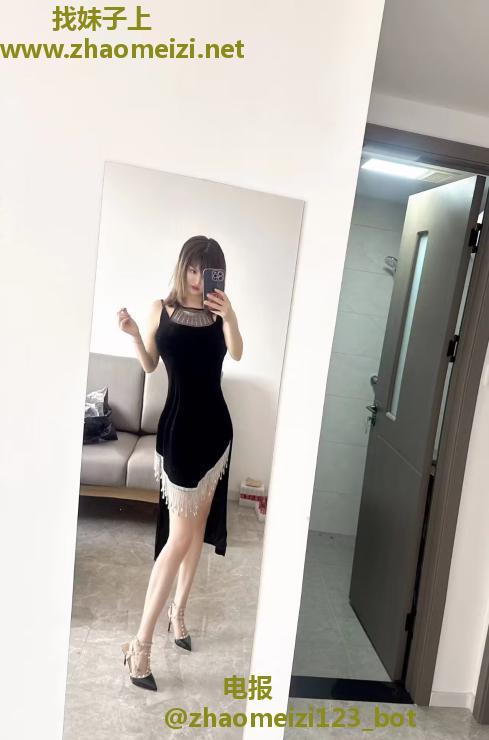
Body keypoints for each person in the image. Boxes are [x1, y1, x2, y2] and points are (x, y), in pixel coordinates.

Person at [117, 236, 243, 691]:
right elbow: (151, 365)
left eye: (207, 271)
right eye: (192, 268)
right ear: (182, 268)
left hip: (215, 433)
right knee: (178, 539)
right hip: (179, 435)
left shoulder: (220, 314)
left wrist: (231, 315)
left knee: (194, 533)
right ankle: (140, 645)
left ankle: (179, 614)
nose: (197, 278)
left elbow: (237, 352)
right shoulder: (161, 309)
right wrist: (135, 334)